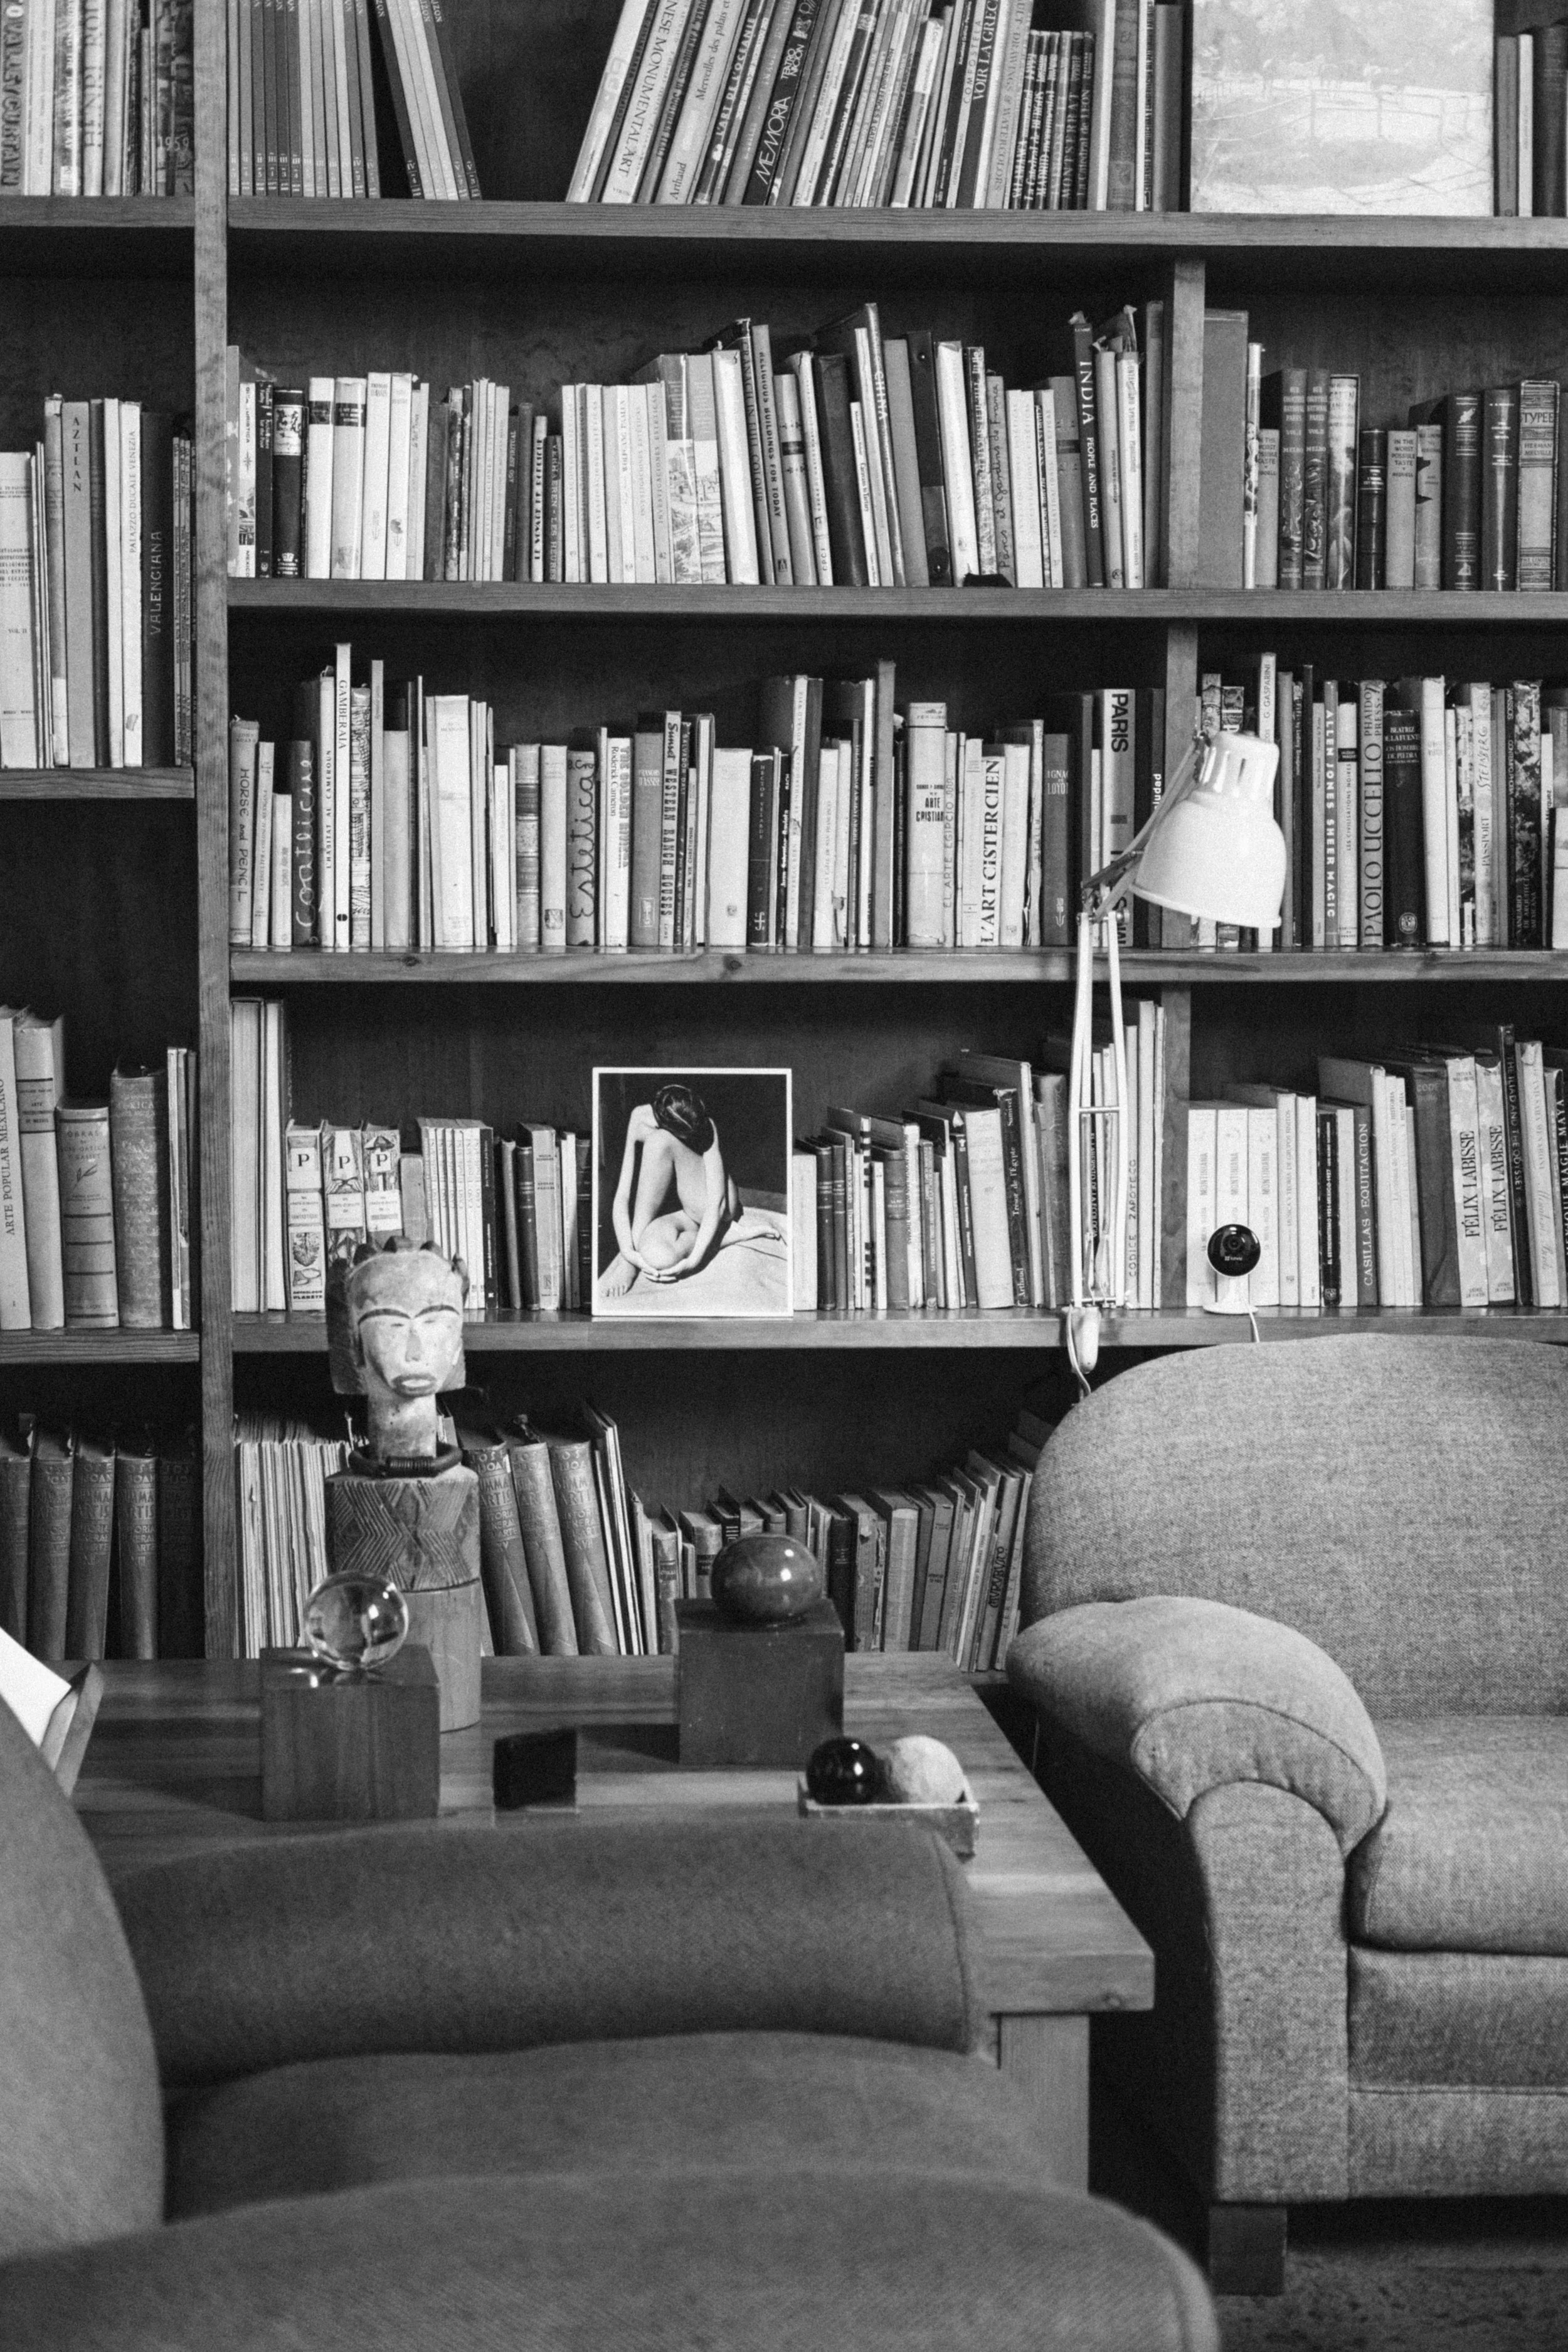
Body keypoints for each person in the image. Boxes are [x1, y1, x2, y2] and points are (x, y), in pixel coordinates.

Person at [599, 1084, 743, 1298]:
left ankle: (721, 1238)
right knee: (659, 1256)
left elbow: (718, 1204)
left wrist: (692, 1263)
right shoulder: (639, 1117)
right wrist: (630, 1254)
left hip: (713, 1206)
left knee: (659, 1141)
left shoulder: (705, 1123)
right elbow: (622, 1196)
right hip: (683, 1207)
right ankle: (633, 1255)